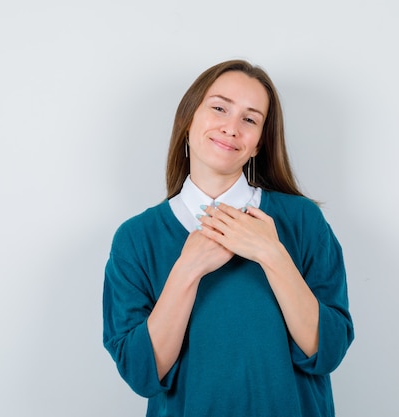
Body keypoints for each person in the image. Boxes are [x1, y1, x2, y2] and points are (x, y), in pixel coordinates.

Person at [102, 59, 354, 417]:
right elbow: (142, 373)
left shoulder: (302, 221)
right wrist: (187, 270)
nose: (231, 128)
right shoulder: (136, 238)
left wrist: (271, 254)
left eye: (250, 119)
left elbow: (326, 352)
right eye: (219, 108)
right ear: (188, 121)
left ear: (257, 145)